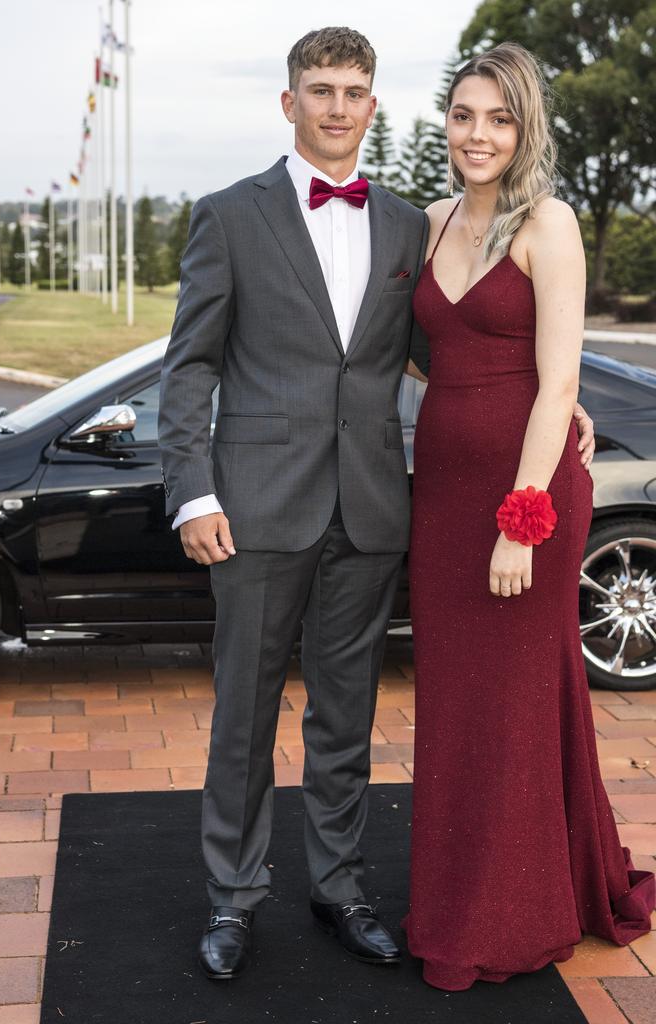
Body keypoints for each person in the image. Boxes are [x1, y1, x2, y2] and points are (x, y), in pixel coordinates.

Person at [158, 28, 593, 981]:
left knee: (345, 715)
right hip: (255, 508)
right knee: (244, 713)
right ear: (289, 103)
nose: (339, 107)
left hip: (373, 510)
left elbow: (459, 345)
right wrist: (191, 491)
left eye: (356, 90)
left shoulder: (410, 224)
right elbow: (187, 365)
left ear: (374, 104)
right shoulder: (228, 216)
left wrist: (564, 397)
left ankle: (340, 888)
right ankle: (233, 899)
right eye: (321, 90)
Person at [403, 41, 655, 992]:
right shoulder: (428, 222)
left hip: (530, 498)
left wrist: (522, 519)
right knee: (460, 707)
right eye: (465, 115)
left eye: (499, 118)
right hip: (443, 498)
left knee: (512, 703)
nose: (478, 134)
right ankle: (485, 887)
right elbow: (429, 350)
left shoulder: (548, 223)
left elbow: (558, 385)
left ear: (525, 127)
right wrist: (467, 393)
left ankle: (508, 917)